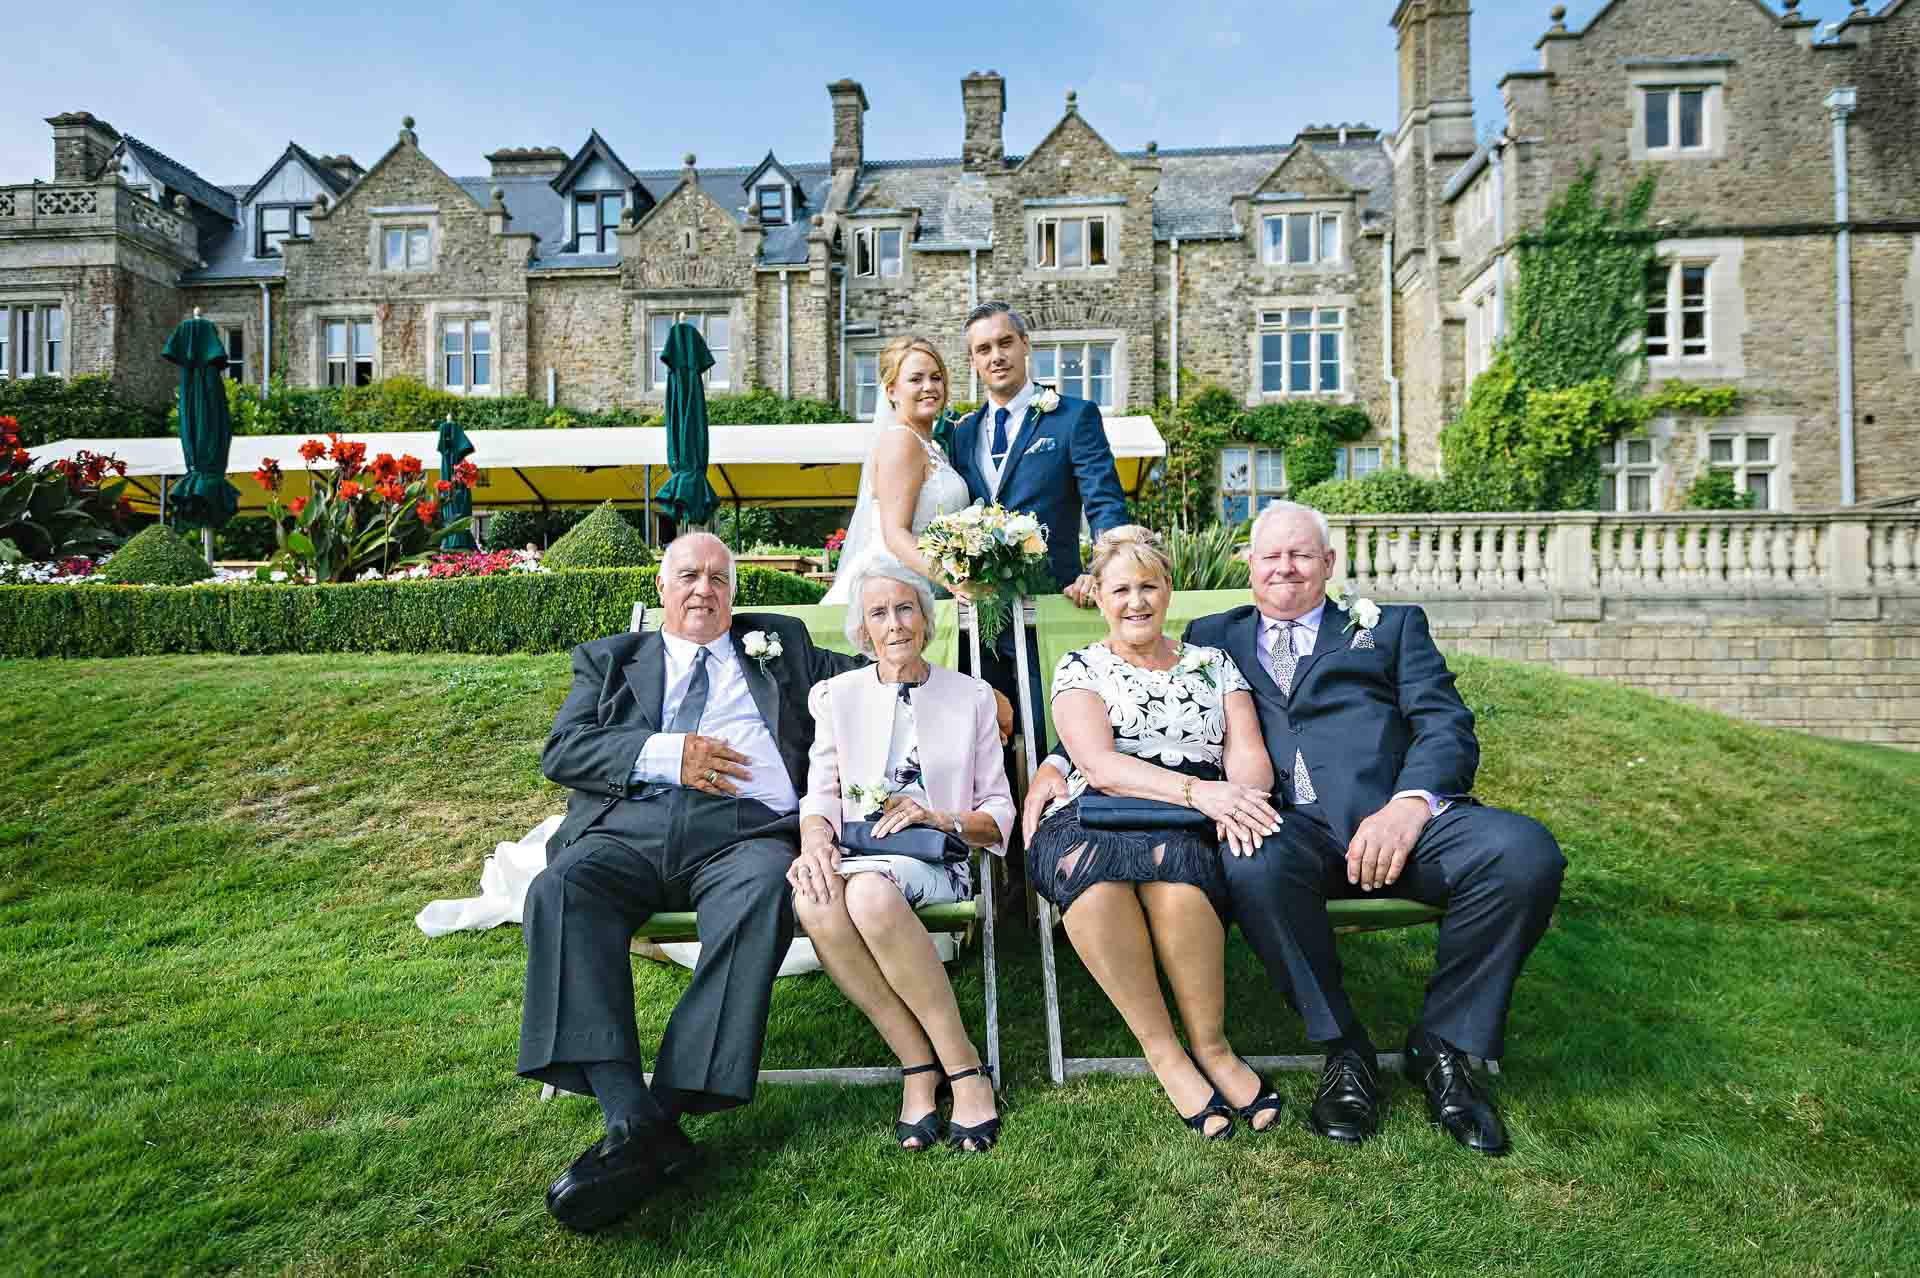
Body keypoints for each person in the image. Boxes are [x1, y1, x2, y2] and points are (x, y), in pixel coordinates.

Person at [1027, 502, 1566, 1156]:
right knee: (1253, 862)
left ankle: (1444, 1046)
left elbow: (1446, 726)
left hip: (1400, 821)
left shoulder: (1390, 628)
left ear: (1329, 565)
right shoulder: (1212, 636)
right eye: (1271, 556)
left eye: (1301, 555)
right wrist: (1055, 762)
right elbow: (1126, 688)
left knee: (1525, 856)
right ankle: (1346, 1049)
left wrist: (1408, 806)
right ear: (1249, 568)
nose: (1285, 567)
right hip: (1292, 827)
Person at [517, 531, 867, 1232]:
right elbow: (564, 750)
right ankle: (634, 1119)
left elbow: (877, 674)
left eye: (718, 578)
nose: (703, 589)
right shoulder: (613, 660)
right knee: (559, 889)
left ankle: (648, 1124)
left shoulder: (782, 644)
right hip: (627, 831)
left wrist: (983, 694)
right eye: (688, 576)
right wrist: (668, 754)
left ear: (734, 592)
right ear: (661, 587)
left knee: (763, 894)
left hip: (745, 833)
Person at [1026, 525, 1286, 1139]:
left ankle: (1213, 1046)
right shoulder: (1081, 666)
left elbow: (1246, 749)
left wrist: (1241, 801)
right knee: (1091, 880)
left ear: (1170, 589)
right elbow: (1099, 766)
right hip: (1099, 810)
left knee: (1178, 878)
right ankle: (1165, 1053)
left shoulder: (1213, 664)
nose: (1136, 602)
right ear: (1098, 594)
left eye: (1149, 586)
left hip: (1190, 818)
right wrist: (1203, 793)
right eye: (1120, 589)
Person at [794, 561, 1014, 1152]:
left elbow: (998, 806)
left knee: (865, 892)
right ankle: (918, 1062)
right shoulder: (836, 697)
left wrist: (939, 816)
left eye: (905, 609)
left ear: (925, 619)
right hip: (859, 850)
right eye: (878, 613)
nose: (894, 625)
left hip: (938, 856)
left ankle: (964, 1067)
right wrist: (816, 838)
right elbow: (822, 792)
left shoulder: (970, 698)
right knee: (815, 898)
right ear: (863, 632)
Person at [949, 302, 1129, 733]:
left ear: (1025, 345)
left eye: (1005, 342)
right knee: (987, 732)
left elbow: (1103, 501)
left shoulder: (1072, 416)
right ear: (973, 360)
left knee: (1052, 726)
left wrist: (1101, 572)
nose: (996, 356)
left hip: (1052, 601)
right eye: (983, 348)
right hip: (981, 616)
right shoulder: (961, 432)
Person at [823, 335, 973, 605]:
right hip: (891, 588)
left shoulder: (935, 448)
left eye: (936, 378)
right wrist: (953, 579)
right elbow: (895, 534)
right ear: (891, 390)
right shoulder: (901, 440)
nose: (929, 387)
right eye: (916, 379)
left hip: (923, 588)